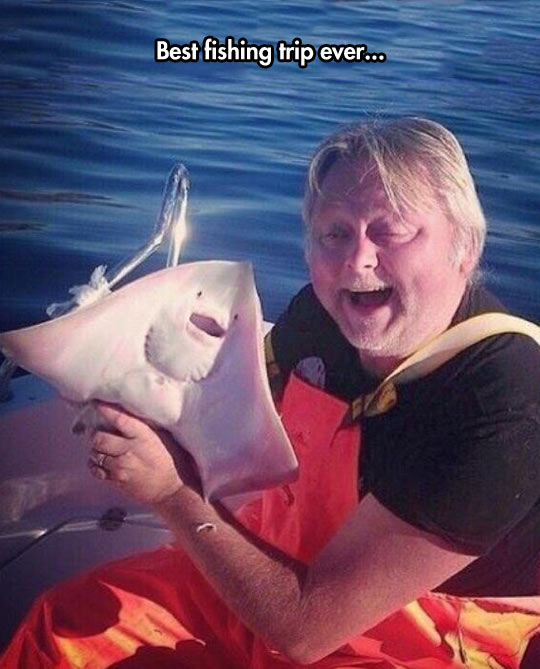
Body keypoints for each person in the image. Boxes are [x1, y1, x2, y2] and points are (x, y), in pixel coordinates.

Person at [2, 117, 540, 668]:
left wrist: (169, 492)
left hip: (422, 634)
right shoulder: (319, 317)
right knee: (65, 629)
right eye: (335, 233)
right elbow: (218, 413)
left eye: (393, 231)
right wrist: (112, 385)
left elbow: (305, 632)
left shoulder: (501, 407)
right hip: (281, 573)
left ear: (465, 247)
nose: (357, 261)